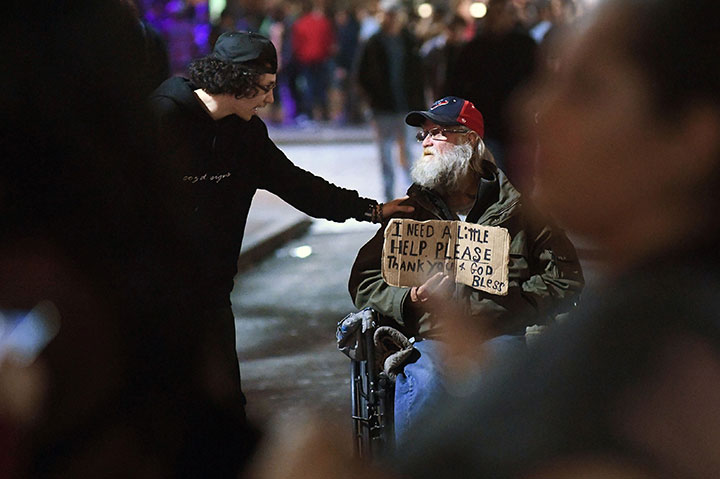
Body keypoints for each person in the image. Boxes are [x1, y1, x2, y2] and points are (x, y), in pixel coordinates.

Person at [389, 0, 720, 477]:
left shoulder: (664, 359)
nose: (532, 109)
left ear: (691, 137)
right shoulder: (647, 308)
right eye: (548, 79)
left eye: (586, 89)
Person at [149, 30, 412, 421]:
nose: (270, 99)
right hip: (155, 297)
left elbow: (299, 186)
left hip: (212, 293)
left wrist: (371, 210)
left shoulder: (246, 135)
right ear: (237, 80)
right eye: (265, 87)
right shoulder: (162, 119)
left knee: (225, 409)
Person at [348, 96, 584, 442]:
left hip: (499, 335)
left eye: (438, 133)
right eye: (423, 135)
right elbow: (364, 280)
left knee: (497, 394)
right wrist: (408, 298)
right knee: (424, 386)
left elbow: (565, 276)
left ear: (470, 140)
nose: (426, 142)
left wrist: (516, 304)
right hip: (432, 338)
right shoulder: (412, 212)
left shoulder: (519, 211)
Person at [355, 0, 425, 201]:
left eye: (396, 15)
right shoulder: (374, 42)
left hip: (405, 106)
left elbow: (418, 75)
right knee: (385, 154)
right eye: (389, 15)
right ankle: (389, 196)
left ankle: (413, 196)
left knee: (409, 154)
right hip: (383, 107)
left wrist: (419, 106)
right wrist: (371, 99)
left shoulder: (408, 40)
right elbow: (361, 74)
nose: (393, 19)